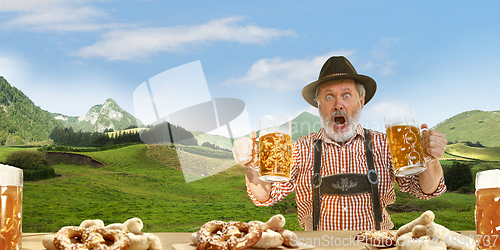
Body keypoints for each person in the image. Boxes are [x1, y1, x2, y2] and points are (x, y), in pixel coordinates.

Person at [232, 56, 447, 231]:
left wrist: (429, 158)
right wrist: (252, 167)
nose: (338, 105)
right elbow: (265, 195)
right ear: (318, 105)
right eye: (328, 97)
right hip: (317, 247)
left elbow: (427, 189)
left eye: (346, 95)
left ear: (361, 102)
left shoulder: (386, 144)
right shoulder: (298, 149)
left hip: (377, 246)